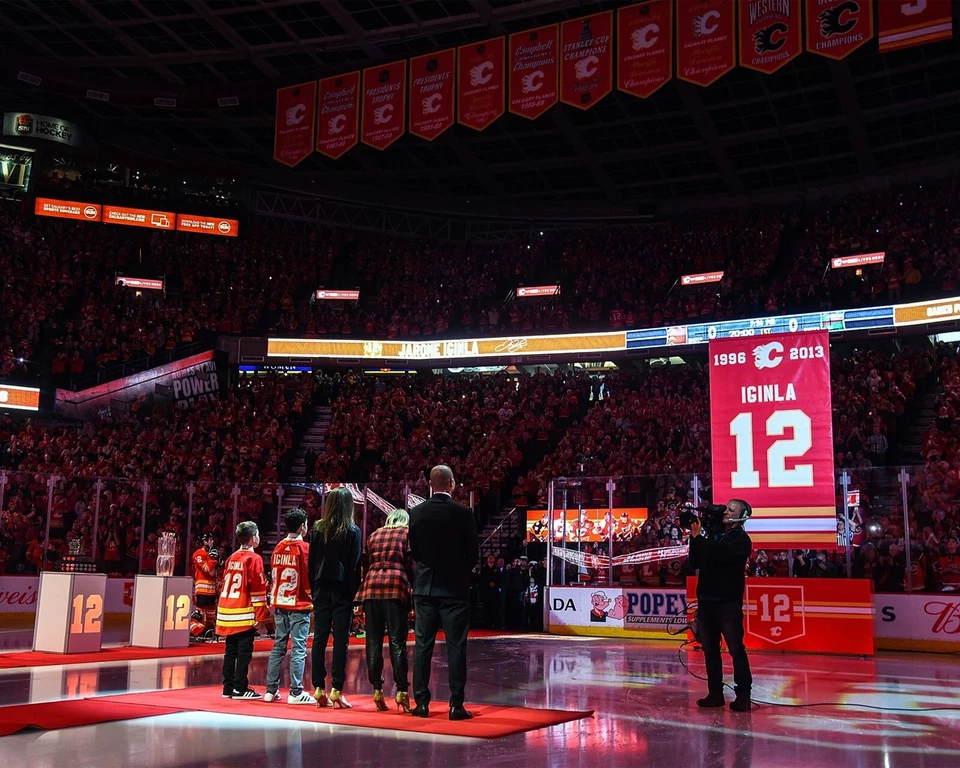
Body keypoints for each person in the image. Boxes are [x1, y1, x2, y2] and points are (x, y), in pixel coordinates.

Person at [409, 465, 478, 721]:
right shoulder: (463, 512)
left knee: (423, 645)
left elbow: (415, 551)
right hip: (455, 588)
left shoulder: (417, 513)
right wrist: (459, 571)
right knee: (456, 646)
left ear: (430, 484)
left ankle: (422, 704)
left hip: (426, 586)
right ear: (452, 484)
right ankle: (456, 705)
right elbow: (473, 553)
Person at [688, 499, 754, 712]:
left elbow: (717, 554)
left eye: (731, 509)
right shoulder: (715, 536)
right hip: (707, 601)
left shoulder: (740, 539)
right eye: (726, 508)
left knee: (736, 649)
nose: (725, 511)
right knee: (710, 650)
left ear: (742, 516)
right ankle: (715, 693)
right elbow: (696, 560)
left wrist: (699, 538)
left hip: (727, 603)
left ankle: (743, 695)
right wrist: (694, 537)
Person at [357, 508, 415, 713]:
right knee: (397, 642)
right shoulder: (407, 534)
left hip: (371, 588)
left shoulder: (374, 535)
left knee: (373, 641)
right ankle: (401, 692)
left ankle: (377, 690)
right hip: (395, 587)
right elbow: (411, 564)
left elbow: (365, 562)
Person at [308, 486, 361, 709]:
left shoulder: (318, 529)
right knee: (341, 640)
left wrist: (314, 588)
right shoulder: (352, 530)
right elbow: (354, 565)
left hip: (320, 586)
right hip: (342, 589)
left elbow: (311, 563)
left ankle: (318, 688)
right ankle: (337, 689)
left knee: (319, 637)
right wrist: (352, 593)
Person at [264, 508, 314, 705]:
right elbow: (307, 578)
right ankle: (295, 692)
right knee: (298, 649)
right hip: (298, 604)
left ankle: (270, 691)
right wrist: (312, 599)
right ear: (302, 527)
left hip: (280, 603)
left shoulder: (277, 547)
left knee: (278, 647)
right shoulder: (305, 548)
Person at [216, 521, 270, 700]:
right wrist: (261, 615)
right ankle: (240, 688)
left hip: (226, 611)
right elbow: (257, 590)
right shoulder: (254, 559)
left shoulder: (232, 557)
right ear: (254, 538)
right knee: (244, 653)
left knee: (230, 651)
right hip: (243, 612)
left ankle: (228, 688)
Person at [191, 533, 219, 628]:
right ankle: (198, 631)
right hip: (202, 589)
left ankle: (209, 631)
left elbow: (214, 572)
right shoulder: (198, 553)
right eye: (210, 540)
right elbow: (207, 569)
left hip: (212, 590)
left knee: (211, 612)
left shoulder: (211, 553)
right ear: (205, 541)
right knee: (201, 612)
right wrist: (213, 560)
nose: (212, 542)